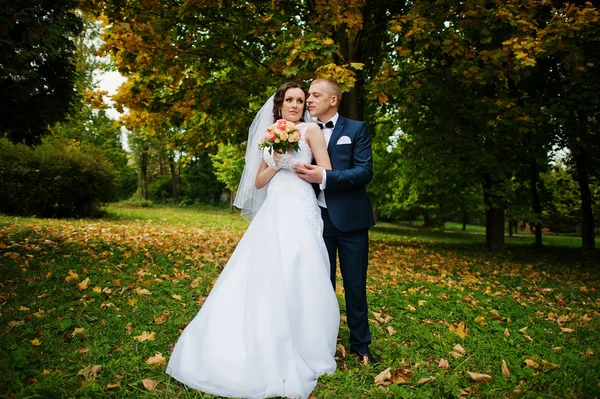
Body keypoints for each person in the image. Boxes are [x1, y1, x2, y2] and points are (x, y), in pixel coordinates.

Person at [166, 82, 340, 399]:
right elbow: (258, 183)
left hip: (301, 206)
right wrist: (275, 163)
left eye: (301, 100)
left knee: (303, 269)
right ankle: (264, 333)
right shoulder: (271, 132)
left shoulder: (311, 131)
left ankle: (306, 340)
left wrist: (298, 166)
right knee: (267, 271)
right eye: (290, 99)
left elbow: (326, 171)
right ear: (280, 103)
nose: (296, 104)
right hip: (274, 207)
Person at [294, 78, 376, 364]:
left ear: (333, 100)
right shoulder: (301, 132)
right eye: (308, 96)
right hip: (317, 219)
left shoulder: (356, 130)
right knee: (320, 285)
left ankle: (361, 347)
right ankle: (323, 346)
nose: (309, 100)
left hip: (352, 222)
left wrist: (324, 176)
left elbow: (364, 172)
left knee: (355, 285)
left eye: (315, 95)